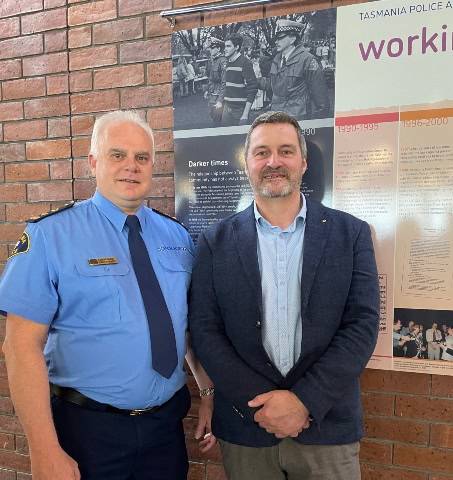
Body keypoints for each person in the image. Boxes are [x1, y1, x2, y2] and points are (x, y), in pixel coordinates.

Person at [0, 110, 216, 479]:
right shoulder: (50, 236)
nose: (131, 167)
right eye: (118, 155)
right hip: (86, 431)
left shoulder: (176, 237)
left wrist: (207, 389)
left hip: (165, 428)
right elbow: (20, 347)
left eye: (142, 157)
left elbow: (185, 325)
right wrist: (44, 449)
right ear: (93, 162)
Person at [188, 111, 379, 480]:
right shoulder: (216, 241)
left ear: (303, 163)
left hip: (326, 430)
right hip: (246, 429)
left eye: (285, 151)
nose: (273, 162)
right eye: (262, 152)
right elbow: (206, 330)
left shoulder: (350, 235)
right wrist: (264, 405)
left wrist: (304, 402)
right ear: (247, 164)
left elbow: (362, 326)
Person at [265, 20, 329, 119]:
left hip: (297, 117)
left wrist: (320, 125)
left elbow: (320, 97)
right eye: (276, 38)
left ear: (292, 39)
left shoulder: (307, 59)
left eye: (280, 38)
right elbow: (273, 86)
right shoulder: (277, 59)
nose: (276, 41)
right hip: (276, 116)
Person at [221, 35, 259, 126]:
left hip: (239, 110)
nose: (225, 49)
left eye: (228, 46)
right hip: (226, 107)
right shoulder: (228, 62)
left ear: (237, 47)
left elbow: (253, 88)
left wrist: (245, 115)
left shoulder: (245, 63)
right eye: (225, 46)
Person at [204, 37, 227, 127]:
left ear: (218, 49)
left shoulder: (223, 61)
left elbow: (224, 82)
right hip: (213, 92)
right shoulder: (214, 60)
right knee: (212, 114)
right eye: (210, 48)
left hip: (219, 94)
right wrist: (207, 90)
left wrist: (220, 100)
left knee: (217, 118)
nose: (210, 50)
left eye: (213, 48)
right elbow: (211, 78)